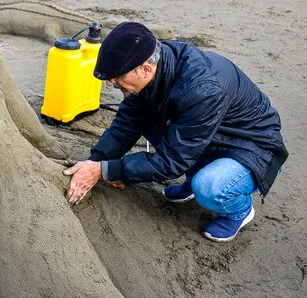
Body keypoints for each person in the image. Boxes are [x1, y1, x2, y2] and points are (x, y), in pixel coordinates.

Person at [60, 22, 288, 242]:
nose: (111, 85)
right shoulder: (154, 69)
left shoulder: (201, 90)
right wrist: (94, 162)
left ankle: (238, 211)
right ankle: (194, 176)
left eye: (117, 79)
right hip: (209, 134)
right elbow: (125, 124)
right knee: (148, 121)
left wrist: (104, 170)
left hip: (253, 147)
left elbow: (172, 160)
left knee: (208, 187)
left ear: (145, 68)